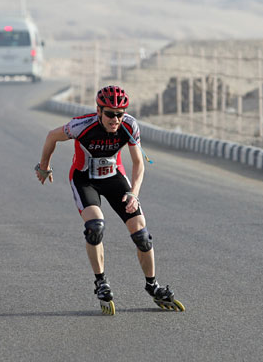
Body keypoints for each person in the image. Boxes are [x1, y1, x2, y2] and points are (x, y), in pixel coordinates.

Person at [35, 85, 183, 314]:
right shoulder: (81, 126)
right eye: (110, 114)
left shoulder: (130, 125)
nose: (115, 119)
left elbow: (138, 163)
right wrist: (44, 166)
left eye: (120, 113)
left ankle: (153, 286)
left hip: (114, 178)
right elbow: (52, 136)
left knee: (141, 234)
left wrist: (134, 193)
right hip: (85, 180)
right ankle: (101, 282)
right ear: (98, 111)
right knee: (95, 227)